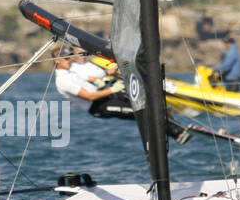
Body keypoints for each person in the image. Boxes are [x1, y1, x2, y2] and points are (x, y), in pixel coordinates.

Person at [53, 48, 190, 143]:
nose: (70, 60)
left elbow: (91, 82)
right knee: (142, 111)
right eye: (66, 59)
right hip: (100, 107)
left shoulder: (71, 73)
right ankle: (178, 133)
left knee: (147, 103)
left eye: (70, 58)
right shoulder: (63, 80)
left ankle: (176, 129)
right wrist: (113, 90)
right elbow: (90, 96)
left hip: (107, 98)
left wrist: (106, 77)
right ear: (57, 61)